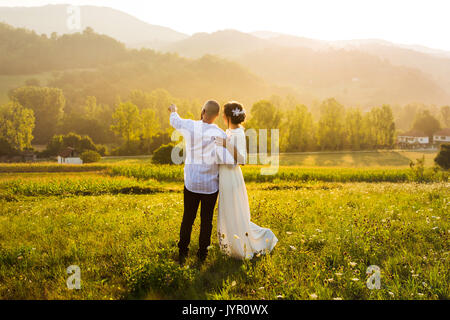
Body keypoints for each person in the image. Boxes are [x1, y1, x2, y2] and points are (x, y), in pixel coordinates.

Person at [168, 100, 234, 265]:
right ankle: (202, 255)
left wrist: (174, 109)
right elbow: (229, 158)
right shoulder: (219, 134)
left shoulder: (190, 126)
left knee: (187, 219)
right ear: (217, 115)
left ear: (203, 110)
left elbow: (175, 120)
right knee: (206, 221)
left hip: (191, 183)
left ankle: (183, 252)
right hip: (210, 186)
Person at [215, 101, 278, 260]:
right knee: (228, 212)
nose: (222, 116)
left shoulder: (238, 134)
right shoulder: (229, 132)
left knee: (235, 212)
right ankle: (229, 245)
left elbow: (242, 159)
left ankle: (253, 241)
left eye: (223, 114)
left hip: (232, 176)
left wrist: (226, 144)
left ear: (228, 116)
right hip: (225, 175)